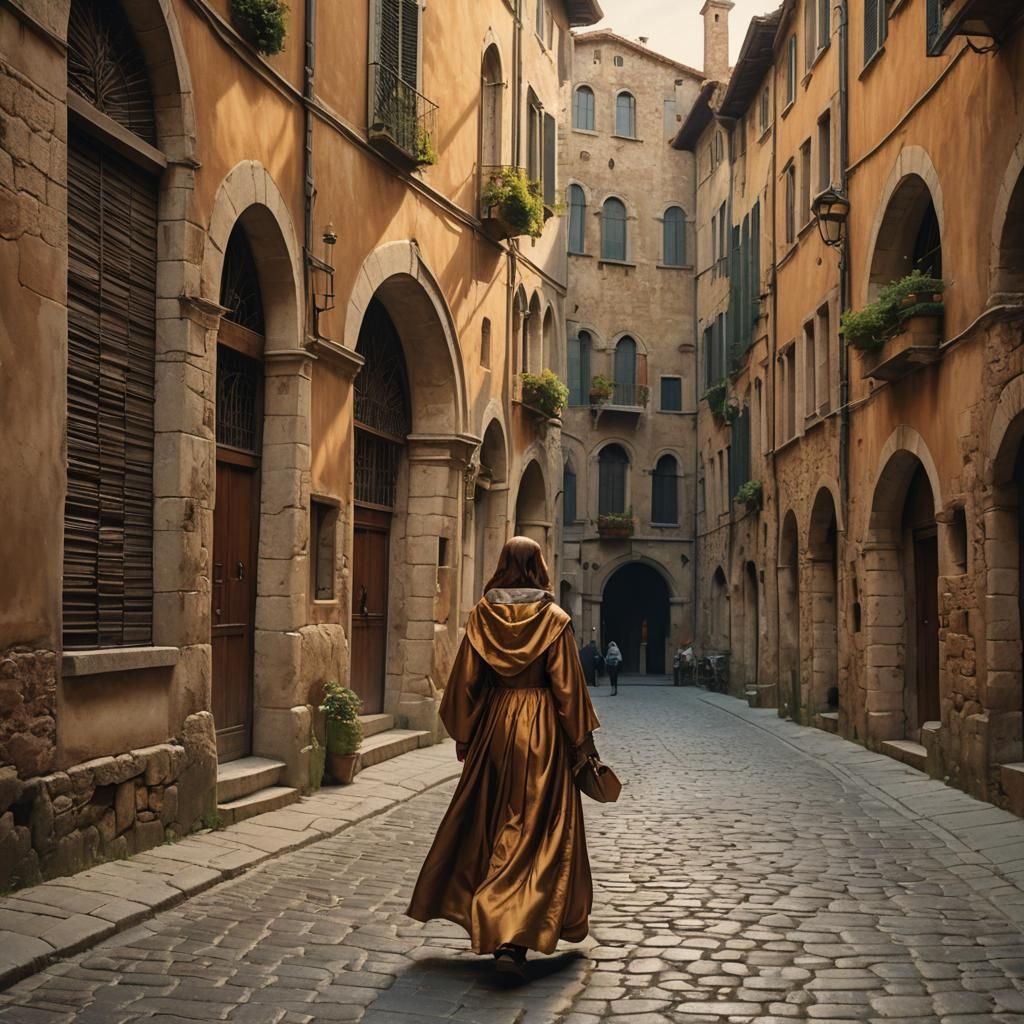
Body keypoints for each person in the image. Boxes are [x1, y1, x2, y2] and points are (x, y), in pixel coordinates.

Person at [407, 537, 601, 980]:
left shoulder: (482, 616)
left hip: (495, 728)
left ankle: (500, 925)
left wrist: (464, 735)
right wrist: (581, 745)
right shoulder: (554, 620)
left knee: (495, 822)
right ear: (538, 566)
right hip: (543, 734)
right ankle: (511, 931)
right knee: (535, 828)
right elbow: (568, 690)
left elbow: (464, 682)